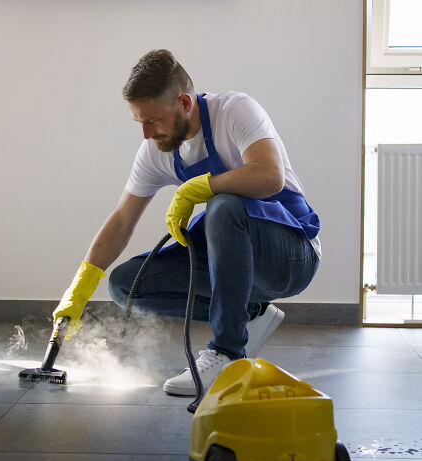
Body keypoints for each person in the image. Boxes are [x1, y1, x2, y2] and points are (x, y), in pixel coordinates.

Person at [52, 49, 320, 396]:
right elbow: (121, 220)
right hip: (238, 265)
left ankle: (228, 352)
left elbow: (270, 177)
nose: (147, 133)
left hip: (291, 256)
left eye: (153, 121)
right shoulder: (157, 151)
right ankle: (250, 313)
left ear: (184, 103)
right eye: (140, 123)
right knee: (124, 285)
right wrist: (80, 287)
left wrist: (200, 186)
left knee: (223, 206)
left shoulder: (235, 111)